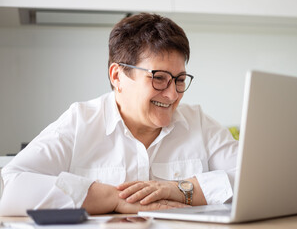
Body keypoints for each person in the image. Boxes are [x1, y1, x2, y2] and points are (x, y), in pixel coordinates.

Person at [0, 13, 238, 216]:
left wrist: (181, 190)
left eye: (179, 80)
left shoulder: (198, 123)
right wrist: (111, 198)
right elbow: (10, 185)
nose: (172, 95)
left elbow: (258, 181)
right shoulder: (80, 122)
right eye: (159, 78)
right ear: (117, 76)